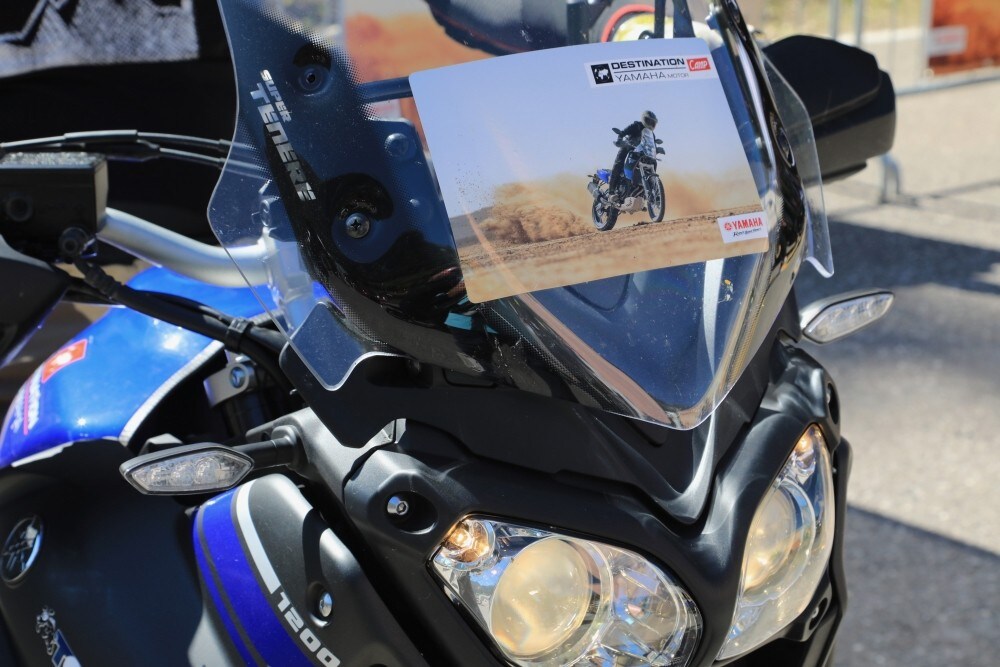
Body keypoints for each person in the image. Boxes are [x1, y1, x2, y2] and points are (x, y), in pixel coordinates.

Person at [609, 110, 658, 203]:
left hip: (642, 154)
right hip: (628, 149)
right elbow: (622, 133)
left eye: (653, 122)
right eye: (649, 121)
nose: (650, 124)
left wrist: (657, 149)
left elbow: (652, 145)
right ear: (644, 119)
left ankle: (653, 192)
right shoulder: (636, 126)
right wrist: (620, 140)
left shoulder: (651, 134)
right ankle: (611, 192)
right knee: (618, 164)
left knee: (653, 162)